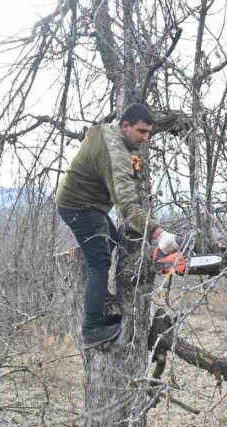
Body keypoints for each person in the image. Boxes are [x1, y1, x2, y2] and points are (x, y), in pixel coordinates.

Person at [55, 104, 180, 349]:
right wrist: (159, 234)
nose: (145, 138)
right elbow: (127, 207)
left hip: (88, 205)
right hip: (78, 207)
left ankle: (100, 300)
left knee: (110, 238)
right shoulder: (118, 157)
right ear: (125, 126)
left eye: (148, 133)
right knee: (99, 263)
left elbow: (96, 144)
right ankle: (92, 329)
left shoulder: (104, 131)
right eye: (141, 131)